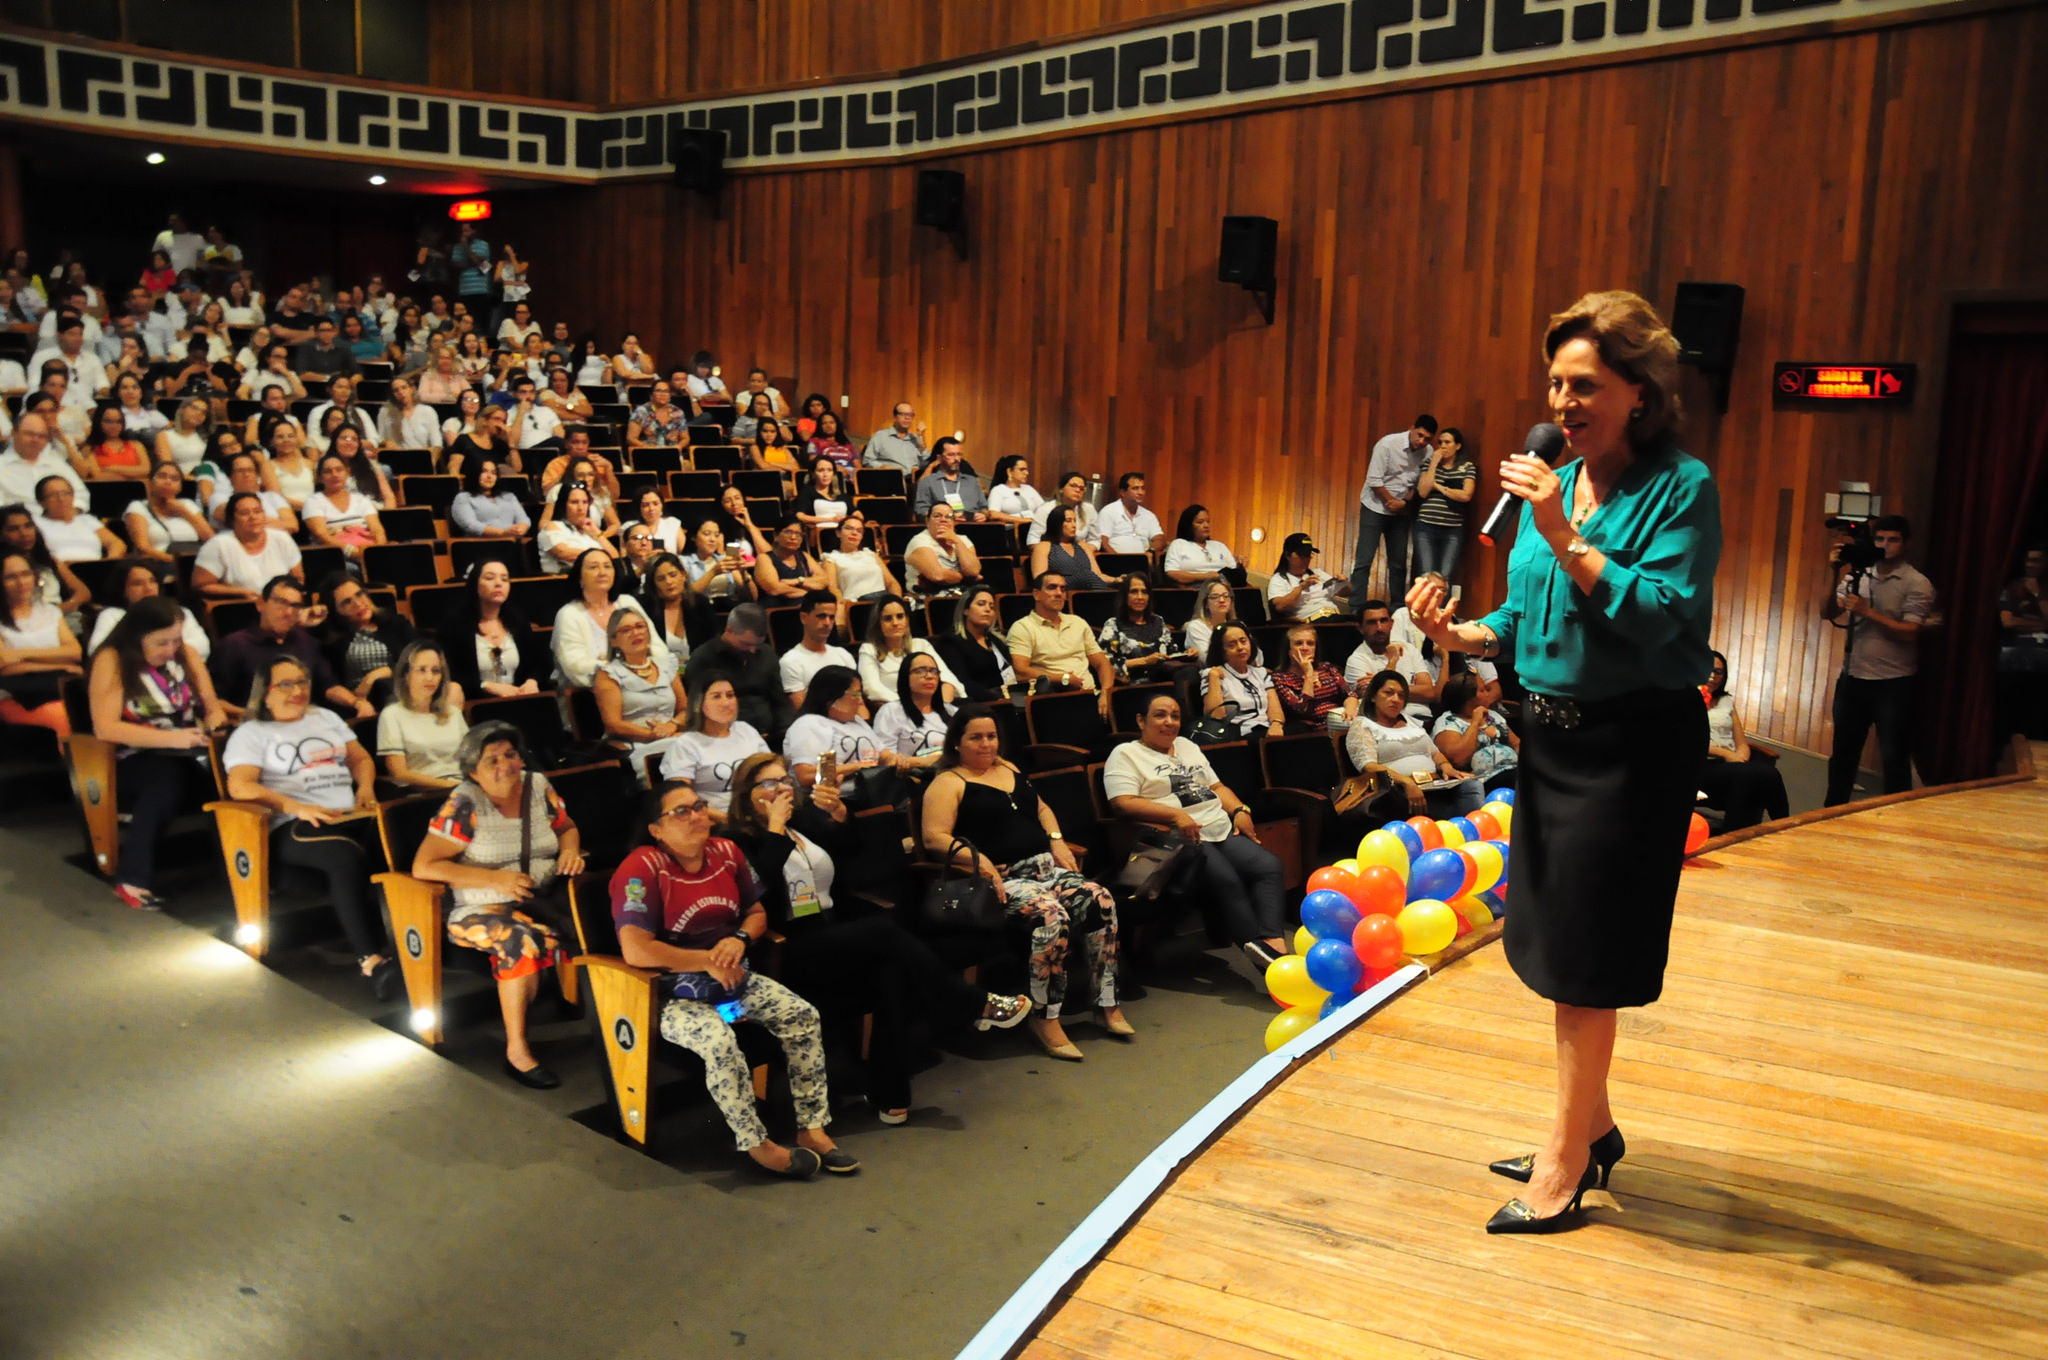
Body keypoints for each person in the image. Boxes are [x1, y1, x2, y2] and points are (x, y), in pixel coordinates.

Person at [1404, 289, 1721, 1233]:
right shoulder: (1558, 482)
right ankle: (1596, 1126)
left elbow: (1666, 620)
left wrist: (1564, 537)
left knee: (1586, 965)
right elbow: (1524, 616)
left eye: (1585, 385)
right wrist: (1458, 633)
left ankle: (1566, 1157)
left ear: (1639, 392)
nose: (1565, 401)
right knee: (1553, 948)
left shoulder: (1679, 486)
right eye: (1555, 384)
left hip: (1631, 748)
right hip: (1548, 742)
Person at [724, 752, 1028, 1124]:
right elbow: (756, 889)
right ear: (746, 793)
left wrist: (838, 816)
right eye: (769, 783)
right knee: (883, 931)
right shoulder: (736, 840)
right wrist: (772, 828)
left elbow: (848, 854)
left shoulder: (800, 824)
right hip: (789, 947)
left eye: (784, 781)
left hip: (833, 931)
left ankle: (890, 1094)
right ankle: (971, 1002)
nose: (782, 789)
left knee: (893, 969)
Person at [609, 779, 857, 1178]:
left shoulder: (726, 852)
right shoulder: (642, 868)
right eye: (681, 811)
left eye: (698, 805)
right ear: (656, 828)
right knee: (721, 1044)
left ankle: (811, 1127)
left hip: (732, 978)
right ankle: (756, 1143)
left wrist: (740, 939)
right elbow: (636, 949)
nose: (697, 815)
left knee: (802, 1016)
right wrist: (705, 959)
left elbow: (756, 913)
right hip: (670, 995)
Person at [921, 704, 1128, 1060]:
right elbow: (933, 837)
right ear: (957, 742)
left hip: (1046, 868)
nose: (987, 744)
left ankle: (1105, 1002)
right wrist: (980, 861)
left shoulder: (1009, 768)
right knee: (1052, 917)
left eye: (992, 736)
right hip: (1004, 879)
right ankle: (1045, 1016)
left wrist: (1056, 837)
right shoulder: (948, 782)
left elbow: (1042, 808)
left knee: (1101, 899)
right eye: (976, 737)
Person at [412, 723, 584, 1089]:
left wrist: (568, 850)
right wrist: (494, 879)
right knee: (519, 942)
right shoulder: (463, 803)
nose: (505, 764)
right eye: (492, 760)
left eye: (510, 754)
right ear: (473, 770)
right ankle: (517, 1051)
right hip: (479, 909)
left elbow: (567, 827)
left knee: (588, 920)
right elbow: (424, 865)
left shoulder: (538, 787)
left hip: (539, 899)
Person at [221, 654, 398, 999]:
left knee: (402, 840)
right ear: (265, 693)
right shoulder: (252, 733)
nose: (298, 691)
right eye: (285, 684)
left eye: (302, 682)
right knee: (344, 857)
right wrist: (294, 805)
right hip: (294, 824)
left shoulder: (325, 717)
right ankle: (371, 958)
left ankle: (415, 940)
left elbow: (360, 758)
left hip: (350, 813)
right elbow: (239, 786)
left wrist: (365, 788)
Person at [1106, 691, 1289, 968]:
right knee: (1227, 882)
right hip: (1178, 838)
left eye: (1176, 716)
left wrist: (1239, 810)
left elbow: (1216, 787)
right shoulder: (1126, 754)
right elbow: (1122, 803)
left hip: (1217, 826)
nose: (1170, 722)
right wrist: (1175, 815)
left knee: (1268, 865)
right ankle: (1268, 964)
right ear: (1141, 721)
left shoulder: (1187, 746)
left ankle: (1273, 941)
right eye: (1160, 715)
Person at [87, 595, 227, 909]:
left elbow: (211, 704)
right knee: (166, 781)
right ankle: (132, 879)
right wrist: (174, 739)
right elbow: (106, 728)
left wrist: (215, 722)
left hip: (190, 747)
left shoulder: (185, 655)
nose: (170, 650)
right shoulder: (112, 660)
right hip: (133, 754)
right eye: (162, 643)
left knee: (227, 781)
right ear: (138, 637)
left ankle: (239, 871)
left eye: (176, 640)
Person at [1822, 514, 1934, 803]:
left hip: (1894, 683)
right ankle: (1830, 815)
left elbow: (1911, 632)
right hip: (1853, 677)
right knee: (1842, 755)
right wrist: (1835, 572)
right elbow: (1828, 613)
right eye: (1880, 539)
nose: (1885, 545)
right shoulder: (1858, 575)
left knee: (1894, 757)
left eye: (1893, 540)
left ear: (1906, 543)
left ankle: (1896, 818)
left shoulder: (1916, 582)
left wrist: (1868, 612)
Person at [211, 575, 368, 720]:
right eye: (280, 602)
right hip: (258, 728)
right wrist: (257, 716)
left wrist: (356, 702)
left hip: (304, 724)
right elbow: (215, 701)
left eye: (295, 606)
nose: (288, 612)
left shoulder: (306, 642)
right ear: (260, 604)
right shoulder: (235, 644)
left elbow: (330, 687)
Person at [1346, 669, 1484, 816]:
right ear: (1373, 696)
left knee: (1471, 785)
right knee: (1450, 811)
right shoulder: (1363, 725)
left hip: (1433, 783)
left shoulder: (1410, 722)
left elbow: (1434, 753)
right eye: (1389, 693)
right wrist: (1407, 782)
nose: (1395, 699)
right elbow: (1368, 766)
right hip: (1397, 790)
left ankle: (1472, 831)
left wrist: (1446, 766)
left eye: (1401, 695)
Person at [1350, 413, 1436, 607]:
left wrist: (1404, 504)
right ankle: (1356, 608)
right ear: (1412, 428)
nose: (1421, 441)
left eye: (1427, 439)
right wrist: (1391, 502)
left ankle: (1397, 607)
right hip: (1375, 506)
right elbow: (1374, 480)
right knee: (1364, 560)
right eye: (1419, 435)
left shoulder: (1428, 451)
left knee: (1398, 563)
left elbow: (1418, 483)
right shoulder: (1387, 444)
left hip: (1401, 511)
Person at [657, 674, 771, 820]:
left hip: (759, 812)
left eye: (730, 696)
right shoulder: (686, 745)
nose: (726, 703)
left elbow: (771, 772)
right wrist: (729, 820)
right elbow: (679, 797)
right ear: (699, 704)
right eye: (716, 696)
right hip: (715, 820)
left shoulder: (746, 730)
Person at [595, 608, 687, 784]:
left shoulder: (666, 664)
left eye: (640, 626)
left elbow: (685, 709)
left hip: (672, 735)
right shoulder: (608, 674)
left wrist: (672, 725)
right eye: (626, 630)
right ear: (614, 640)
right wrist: (654, 735)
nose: (635, 633)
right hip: (635, 745)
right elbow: (613, 725)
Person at [781, 664, 899, 798]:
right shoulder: (809, 724)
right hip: (831, 800)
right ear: (831, 696)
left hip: (869, 791)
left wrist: (892, 759)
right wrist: (855, 767)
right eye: (855, 694)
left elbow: (879, 754)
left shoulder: (856, 721)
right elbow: (806, 776)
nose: (860, 701)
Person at [1697, 651, 1786, 829]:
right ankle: (1733, 835)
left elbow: (1741, 741)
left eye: (1719, 672)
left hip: (1729, 764)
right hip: (1700, 764)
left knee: (1770, 774)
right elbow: (1687, 740)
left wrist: (1742, 756)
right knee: (1744, 776)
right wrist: (1725, 754)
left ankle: (1786, 827)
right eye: (1709, 670)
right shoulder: (1688, 697)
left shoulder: (1726, 701)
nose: (1714, 676)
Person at [0, 547, 82, 738]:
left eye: (25, 574)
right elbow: (4, 666)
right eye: (10, 577)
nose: (21, 582)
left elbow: (75, 652)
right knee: (63, 715)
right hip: (15, 693)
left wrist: (21, 655)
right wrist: (61, 663)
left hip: (56, 686)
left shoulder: (50, 612)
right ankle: (77, 768)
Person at [552, 548, 660, 690]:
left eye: (607, 566)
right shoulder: (569, 614)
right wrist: (629, 668)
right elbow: (575, 667)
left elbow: (658, 648)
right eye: (593, 567)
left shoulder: (627, 602)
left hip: (645, 684)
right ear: (580, 577)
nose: (602, 572)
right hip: (592, 695)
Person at [441, 559, 548, 698]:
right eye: (490, 578)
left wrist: (532, 682)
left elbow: (540, 662)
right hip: (475, 702)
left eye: (504, 579)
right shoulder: (455, 624)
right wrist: (486, 686)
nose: (498, 584)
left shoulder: (518, 621)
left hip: (519, 699)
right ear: (475, 583)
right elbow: (448, 673)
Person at [1009, 572, 1114, 710]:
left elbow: (1102, 663)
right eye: (1052, 587)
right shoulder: (1022, 627)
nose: (1059, 593)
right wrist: (1062, 678)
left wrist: (1106, 694)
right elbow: (1020, 672)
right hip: (1052, 701)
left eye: (1063, 589)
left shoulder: (1077, 622)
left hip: (1090, 696)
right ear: (1036, 594)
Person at [687, 603, 793, 740]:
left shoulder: (766, 654)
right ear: (729, 630)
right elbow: (697, 708)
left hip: (771, 737)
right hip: (723, 737)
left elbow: (780, 701)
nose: (752, 650)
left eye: (758, 645)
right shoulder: (703, 659)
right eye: (747, 644)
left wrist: (786, 733)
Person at [377, 639, 469, 791]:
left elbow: (471, 758)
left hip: (461, 787)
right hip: (424, 794)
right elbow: (399, 773)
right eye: (421, 670)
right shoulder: (392, 715)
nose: (429, 678)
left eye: (435, 671)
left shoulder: (453, 712)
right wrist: (448, 786)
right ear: (406, 675)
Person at [318, 574, 415, 710]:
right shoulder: (332, 642)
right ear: (335, 611)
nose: (358, 604)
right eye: (347, 602)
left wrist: (376, 675)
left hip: (402, 689)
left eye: (359, 594)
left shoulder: (395, 624)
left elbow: (418, 660)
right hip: (360, 702)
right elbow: (328, 683)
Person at [87, 559, 211, 660]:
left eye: (153, 581)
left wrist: (158, 652)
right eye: (137, 583)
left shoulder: (180, 612)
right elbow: (97, 651)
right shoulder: (113, 615)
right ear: (123, 590)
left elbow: (203, 646)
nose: (148, 588)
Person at [192, 493, 304, 603]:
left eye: (257, 512)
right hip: (240, 606)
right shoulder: (218, 545)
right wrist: (239, 592)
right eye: (244, 513)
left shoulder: (282, 538)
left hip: (281, 605)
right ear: (232, 519)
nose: (253, 517)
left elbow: (298, 578)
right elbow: (201, 585)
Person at [1342, 597, 1437, 720]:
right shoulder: (1357, 660)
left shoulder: (1409, 650)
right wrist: (1392, 662)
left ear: (1391, 623)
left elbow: (1429, 693)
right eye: (1372, 622)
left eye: (1383, 621)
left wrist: (1380, 685)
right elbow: (1377, 701)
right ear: (1360, 628)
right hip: (1385, 722)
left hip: (1422, 718)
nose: (1379, 628)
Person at [857, 595, 959, 704]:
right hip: (897, 708)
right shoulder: (869, 650)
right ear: (877, 624)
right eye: (888, 618)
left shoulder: (921, 645)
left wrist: (940, 706)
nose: (895, 623)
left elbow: (948, 679)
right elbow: (872, 688)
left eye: (900, 616)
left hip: (933, 706)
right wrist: (909, 706)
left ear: (907, 619)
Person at [1413, 426, 1478, 581]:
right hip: (1426, 525)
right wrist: (1434, 464)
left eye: (1447, 442)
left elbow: (1466, 495)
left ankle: (1442, 606)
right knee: (1426, 575)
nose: (1442, 446)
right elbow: (1423, 491)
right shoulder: (1429, 464)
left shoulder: (1467, 467)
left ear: (1458, 446)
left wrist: (1440, 487)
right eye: (1440, 442)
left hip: (1453, 529)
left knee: (1445, 576)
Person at [1201, 621, 1283, 743]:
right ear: (1222, 651)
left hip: (1266, 728)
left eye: (1243, 641)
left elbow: (1276, 710)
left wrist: (1276, 725)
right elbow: (1216, 715)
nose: (1240, 647)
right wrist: (1214, 678)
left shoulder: (1261, 673)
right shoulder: (1212, 673)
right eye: (1232, 645)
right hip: (1238, 733)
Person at [1, 503, 88, 618]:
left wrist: (64, 607)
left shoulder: (50, 560)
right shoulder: (4, 567)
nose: (24, 534)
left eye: (28, 526)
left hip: (63, 617)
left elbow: (83, 592)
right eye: (13, 529)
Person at [932, 584, 1016, 702]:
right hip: (976, 703)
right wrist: (997, 699)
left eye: (991, 607)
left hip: (1005, 698)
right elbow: (962, 682)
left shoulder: (996, 641)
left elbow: (1009, 674)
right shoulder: (951, 642)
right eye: (981, 604)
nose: (988, 609)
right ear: (965, 610)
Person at [872, 649, 951, 771]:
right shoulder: (891, 711)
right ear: (905, 677)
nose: (929, 676)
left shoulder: (951, 711)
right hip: (911, 779)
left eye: (933, 671)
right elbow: (886, 757)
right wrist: (924, 762)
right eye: (920, 671)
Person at [301, 454, 388, 565]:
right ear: (320, 478)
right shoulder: (313, 502)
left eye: (339, 470)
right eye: (328, 471)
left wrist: (376, 551)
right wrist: (352, 552)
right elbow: (321, 534)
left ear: (347, 473)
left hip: (366, 549)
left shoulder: (360, 499)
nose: (334, 474)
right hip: (336, 555)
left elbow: (377, 529)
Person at [1096, 572, 1179, 686]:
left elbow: (1172, 654)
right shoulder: (1113, 624)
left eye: (1144, 592)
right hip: (1132, 685)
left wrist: (1187, 655)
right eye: (1134, 591)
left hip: (1163, 681)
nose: (1140, 597)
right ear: (1125, 596)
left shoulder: (1158, 621)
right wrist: (1144, 661)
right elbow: (1105, 664)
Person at [777, 589, 855, 708]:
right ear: (804, 618)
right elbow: (802, 710)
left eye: (832, 617)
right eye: (821, 616)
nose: (827, 623)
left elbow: (859, 702)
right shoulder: (790, 661)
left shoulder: (843, 655)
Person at [1273, 624, 1355, 731]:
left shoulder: (1327, 668)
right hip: (1312, 730)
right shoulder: (1280, 678)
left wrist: (1350, 709)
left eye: (1310, 643)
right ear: (1289, 649)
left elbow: (1350, 694)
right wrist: (1308, 674)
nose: (1305, 648)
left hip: (1340, 721)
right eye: (1299, 643)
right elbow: (1303, 709)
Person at [0, 412, 90, 507]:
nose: (35, 440)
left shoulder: (57, 464)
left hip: (61, 518)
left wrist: (73, 511)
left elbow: (82, 496)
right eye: (29, 434)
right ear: (14, 433)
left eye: (41, 436)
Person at [820, 514, 902, 616]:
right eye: (849, 529)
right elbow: (833, 589)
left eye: (859, 531)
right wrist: (843, 603)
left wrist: (897, 603)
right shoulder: (831, 558)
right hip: (856, 605)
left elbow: (892, 584)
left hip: (883, 603)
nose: (854, 533)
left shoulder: (871, 555)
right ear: (838, 533)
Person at [32, 476, 125, 563]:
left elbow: (116, 543)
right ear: (41, 502)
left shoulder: (87, 520)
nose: (61, 499)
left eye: (66, 493)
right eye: (53, 495)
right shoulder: (35, 523)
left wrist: (108, 563)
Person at [902, 502, 982, 601]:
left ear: (953, 522)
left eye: (948, 517)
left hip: (962, 598)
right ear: (927, 521)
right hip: (928, 601)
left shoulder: (963, 540)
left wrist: (957, 541)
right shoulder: (919, 541)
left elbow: (973, 571)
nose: (943, 520)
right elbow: (938, 576)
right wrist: (966, 578)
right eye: (937, 516)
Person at [536, 480, 615, 575]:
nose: (581, 508)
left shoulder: (589, 529)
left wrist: (597, 533)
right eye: (574, 502)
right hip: (564, 580)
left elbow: (615, 557)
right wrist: (602, 557)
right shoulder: (552, 526)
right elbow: (564, 553)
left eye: (585, 502)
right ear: (564, 504)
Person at [1266, 532, 1346, 622]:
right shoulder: (1279, 579)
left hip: (1333, 615)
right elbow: (1280, 606)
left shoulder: (1318, 573)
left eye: (1309, 555)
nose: (1307, 559)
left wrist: (1343, 581)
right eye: (1302, 555)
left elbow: (1346, 592)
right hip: (1311, 622)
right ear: (1288, 555)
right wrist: (1301, 587)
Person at [1030, 504, 1111, 593]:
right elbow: (1040, 580)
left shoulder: (1083, 545)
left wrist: (1117, 580)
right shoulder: (1044, 546)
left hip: (1088, 589)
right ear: (1057, 523)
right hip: (1060, 588)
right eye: (1068, 521)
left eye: (1074, 521)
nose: (1074, 525)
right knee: (1087, 576)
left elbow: (1098, 575)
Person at [682, 516, 757, 607]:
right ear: (693, 537)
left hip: (729, 608)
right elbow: (685, 596)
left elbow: (752, 598)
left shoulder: (724, 559)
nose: (713, 539)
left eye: (716, 535)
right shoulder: (683, 561)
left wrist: (744, 574)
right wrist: (713, 572)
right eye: (707, 534)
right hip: (700, 611)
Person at [448, 456, 530, 539]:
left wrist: (521, 528)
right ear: (475, 473)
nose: (489, 476)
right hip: (480, 545)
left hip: (511, 542)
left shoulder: (509, 496)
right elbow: (470, 525)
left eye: (494, 473)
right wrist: (502, 533)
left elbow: (523, 519)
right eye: (484, 471)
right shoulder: (463, 498)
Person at [911, 438, 987, 521]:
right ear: (939, 458)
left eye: (959, 454)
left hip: (973, 527)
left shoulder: (972, 481)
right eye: (951, 455)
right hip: (942, 527)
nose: (956, 459)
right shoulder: (928, 482)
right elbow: (921, 512)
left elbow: (984, 508)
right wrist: (948, 517)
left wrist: (983, 515)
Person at [1163, 504, 1240, 586]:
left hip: (1224, 587)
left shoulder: (1219, 546)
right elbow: (1171, 572)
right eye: (1200, 522)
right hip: (1194, 589)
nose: (1206, 525)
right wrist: (1204, 576)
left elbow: (1233, 570)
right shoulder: (1179, 544)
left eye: (1208, 521)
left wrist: (1239, 563)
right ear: (1188, 525)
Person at [753, 517, 827, 602]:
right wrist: (808, 593)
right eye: (788, 532)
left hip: (805, 608)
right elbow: (774, 589)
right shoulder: (764, 558)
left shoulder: (804, 556)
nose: (793, 537)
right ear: (776, 535)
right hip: (778, 609)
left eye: (798, 534)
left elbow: (823, 581)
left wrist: (797, 581)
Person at [638, 551, 696, 654]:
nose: (668, 582)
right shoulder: (644, 607)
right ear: (653, 584)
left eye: (673, 575)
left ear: (684, 575)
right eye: (661, 579)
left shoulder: (700, 603)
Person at [1095, 472, 1166, 556]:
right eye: (1135, 488)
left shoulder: (1149, 515)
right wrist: (1118, 560)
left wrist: (1151, 551)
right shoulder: (1109, 511)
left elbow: (1159, 538)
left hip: (1142, 562)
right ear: (1122, 492)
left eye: (1143, 488)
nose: (1141, 492)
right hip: (1116, 562)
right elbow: (1103, 542)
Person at [1025, 471, 1100, 547]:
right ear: (1061, 489)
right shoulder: (1046, 509)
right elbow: (1033, 540)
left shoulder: (1088, 509)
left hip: (1080, 553)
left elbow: (1095, 540)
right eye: (1073, 486)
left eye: (1081, 489)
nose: (1078, 490)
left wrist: (1086, 551)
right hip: (1051, 553)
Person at [83, 404, 151, 481]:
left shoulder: (136, 445)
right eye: (108, 421)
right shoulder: (89, 448)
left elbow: (146, 470)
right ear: (98, 422)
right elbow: (99, 477)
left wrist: (113, 469)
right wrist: (134, 476)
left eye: (119, 421)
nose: (114, 426)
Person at [377, 375, 443, 450]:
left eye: (404, 388)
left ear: (411, 389)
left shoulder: (427, 411)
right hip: (394, 456)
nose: (401, 392)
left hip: (421, 456)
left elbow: (437, 443)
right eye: (396, 390)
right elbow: (380, 439)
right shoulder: (385, 412)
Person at [862, 401, 926, 474]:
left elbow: (927, 463)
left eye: (910, 415)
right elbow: (867, 461)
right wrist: (882, 467)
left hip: (914, 480)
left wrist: (922, 440)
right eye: (903, 414)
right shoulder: (881, 436)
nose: (907, 417)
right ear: (895, 417)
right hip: (890, 478)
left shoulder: (915, 438)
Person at [626, 379, 691, 450]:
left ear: (670, 395)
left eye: (666, 391)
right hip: (649, 452)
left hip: (672, 452)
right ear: (651, 395)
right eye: (658, 391)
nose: (662, 394)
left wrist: (679, 446)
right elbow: (631, 438)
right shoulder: (642, 411)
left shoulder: (678, 412)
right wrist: (647, 447)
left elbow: (685, 438)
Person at [986, 454, 1044, 531]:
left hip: (1034, 530)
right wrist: (1024, 521)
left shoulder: (1029, 489)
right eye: (1022, 469)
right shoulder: (998, 490)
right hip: (1010, 531)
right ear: (1009, 471)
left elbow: (1044, 509)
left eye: (1026, 470)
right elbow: (993, 514)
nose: (1027, 473)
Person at [793, 459, 851, 534]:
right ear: (813, 473)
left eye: (829, 470)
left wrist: (847, 520)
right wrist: (831, 520)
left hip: (844, 532)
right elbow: (800, 516)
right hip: (820, 532)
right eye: (821, 470)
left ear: (833, 474)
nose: (825, 474)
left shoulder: (841, 494)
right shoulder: (807, 492)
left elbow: (857, 514)